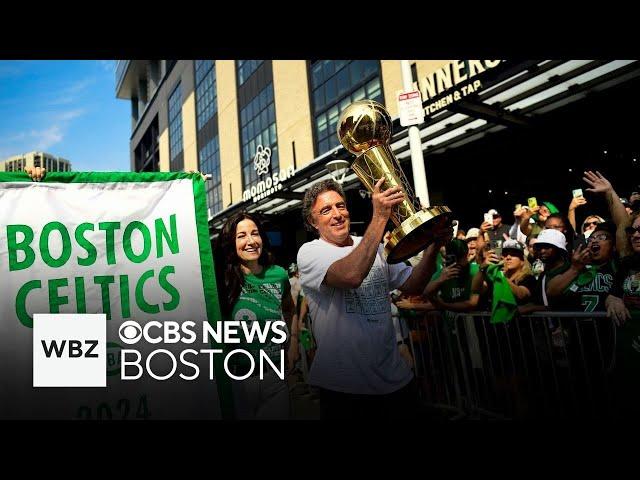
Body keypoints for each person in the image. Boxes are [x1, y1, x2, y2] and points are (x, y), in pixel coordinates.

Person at [296, 178, 447, 419]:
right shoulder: (310, 252)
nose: (337, 214)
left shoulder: (373, 245)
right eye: (326, 210)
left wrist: (433, 246)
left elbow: (413, 285)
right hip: (345, 389)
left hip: (396, 381)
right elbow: (351, 275)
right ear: (312, 222)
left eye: (340, 206)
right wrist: (379, 218)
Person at [216, 212, 298, 419]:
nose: (251, 241)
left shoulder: (278, 275)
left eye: (255, 233)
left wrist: (293, 342)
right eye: (241, 236)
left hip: (275, 378)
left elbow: (289, 308)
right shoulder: (220, 281)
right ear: (230, 242)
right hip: (236, 381)